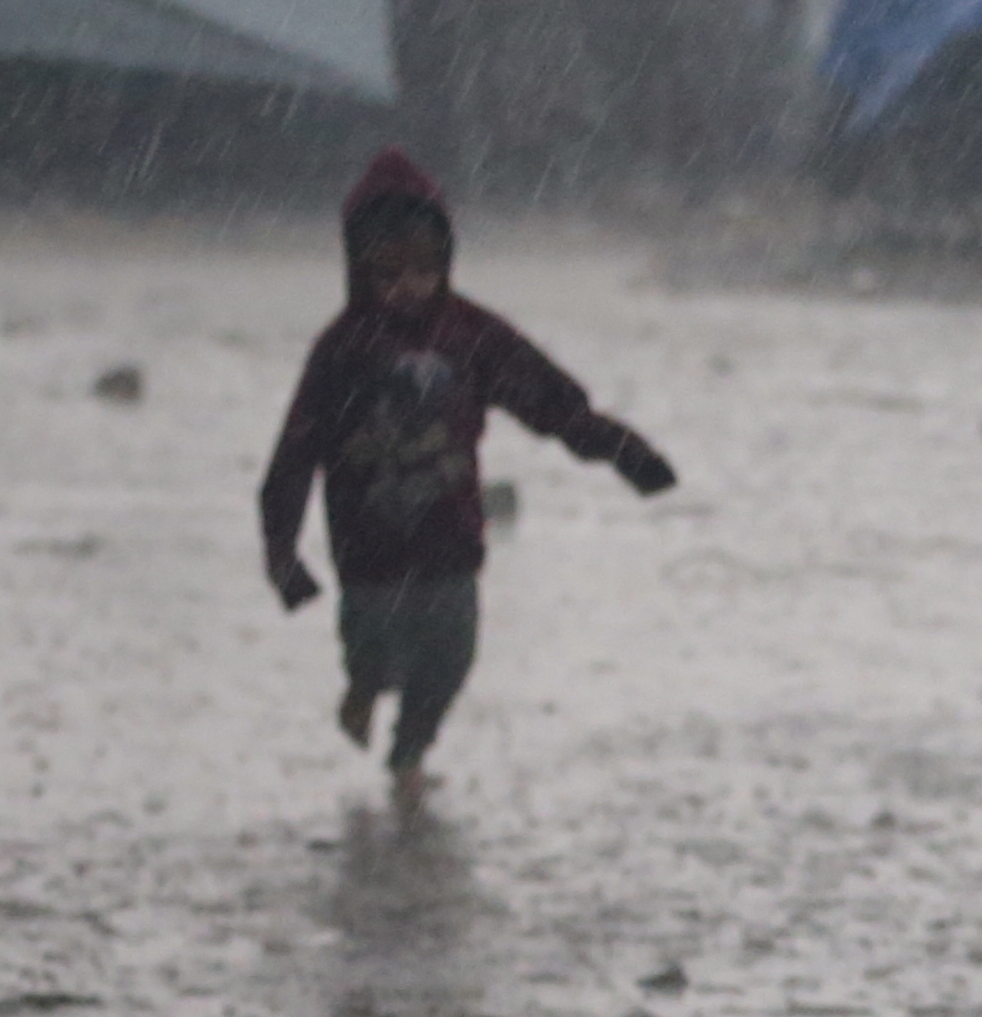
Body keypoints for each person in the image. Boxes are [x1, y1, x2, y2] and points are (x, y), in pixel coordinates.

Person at [256, 147, 679, 782]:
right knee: (372, 651)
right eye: (388, 270)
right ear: (359, 268)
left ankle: (410, 752)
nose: (408, 285)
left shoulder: (470, 334)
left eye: (424, 267)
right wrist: (283, 557)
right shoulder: (341, 350)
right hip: (367, 552)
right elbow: (294, 455)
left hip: (449, 541)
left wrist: (627, 453)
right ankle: (363, 689)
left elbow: (553, 404)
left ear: (446, 259)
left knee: (449, 660)